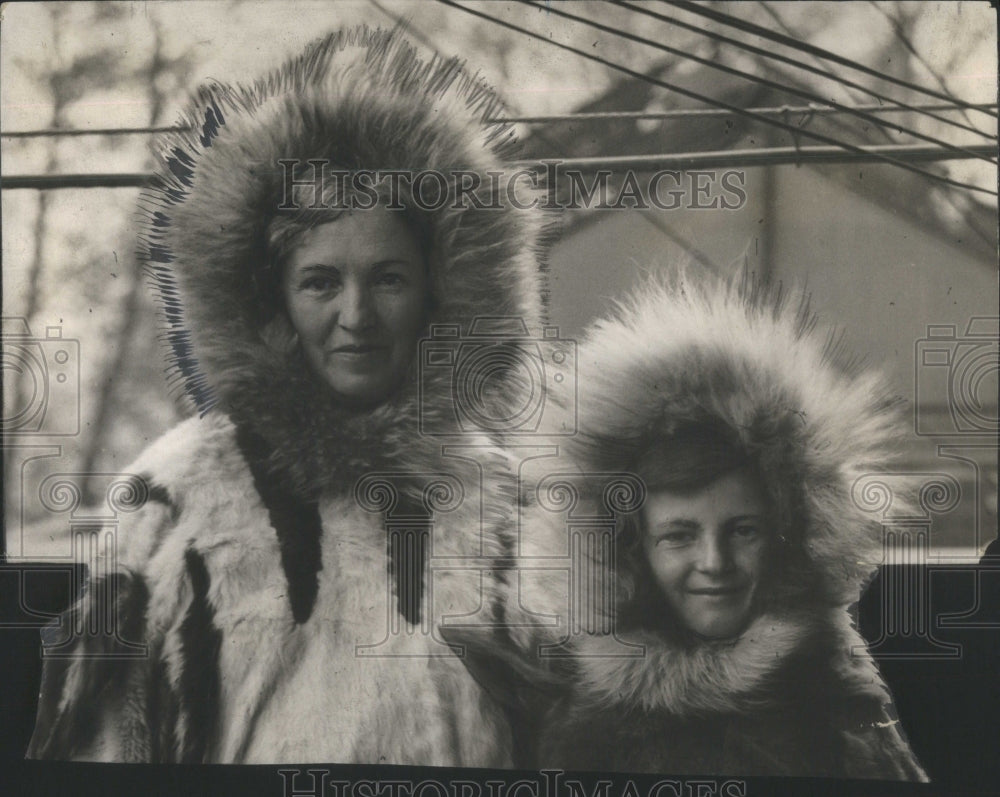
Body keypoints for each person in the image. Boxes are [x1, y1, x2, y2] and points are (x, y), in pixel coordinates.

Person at [27, 27, 548, 765]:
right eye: (321, 282)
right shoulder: (174, 491)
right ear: (272, 298)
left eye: (389, 278)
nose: (357, 316)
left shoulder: (507, 507)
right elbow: (106, 750)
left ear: (442, 292)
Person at [464, 272, 928, 778]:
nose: (715, 563)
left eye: (743, 530)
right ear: (630, 548)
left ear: (788, 532)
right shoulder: (578, 716)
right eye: (680, 536)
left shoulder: (834, 686)